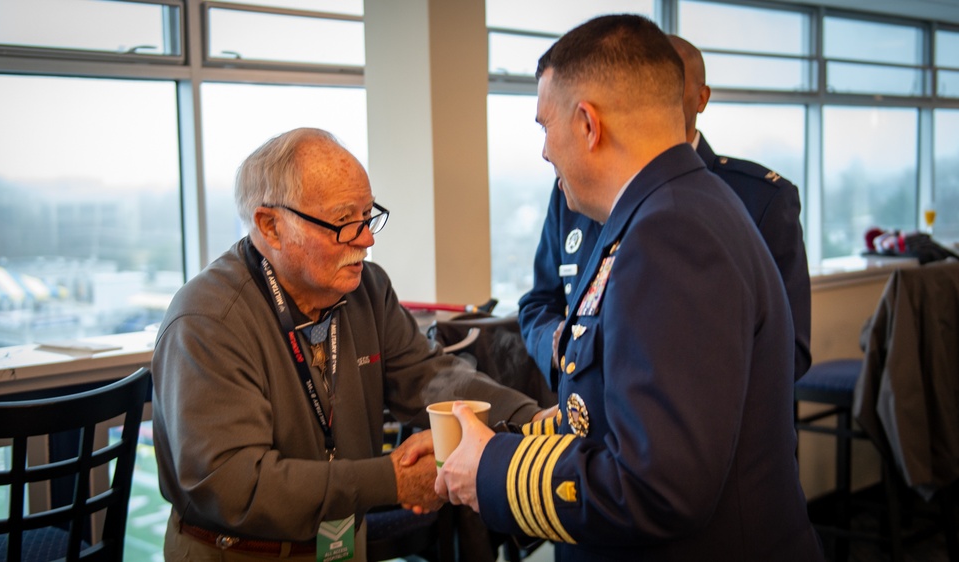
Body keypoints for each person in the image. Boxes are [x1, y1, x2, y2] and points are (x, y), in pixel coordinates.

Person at [436, 15, 823, 561]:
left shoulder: (669, 233)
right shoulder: (676, 207)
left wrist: (491, 467)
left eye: (545, 126)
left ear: (588, 124)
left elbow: (658, 488)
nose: (545, 152)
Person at [151, 127, 546, 561]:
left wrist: (535, 422)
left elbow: (430, 379)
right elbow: (234, 485)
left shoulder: (367, 291)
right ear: (271, 226)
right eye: (343, 222)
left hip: (340, 544)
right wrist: (389, 479)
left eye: (367, 214)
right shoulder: (208, 320)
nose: (367, 238)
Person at [518, 34, 812, 386]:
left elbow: (780, 352)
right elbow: (542, 299)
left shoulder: (743, 198)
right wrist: (560, 344)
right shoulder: (576, 191)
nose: (546, 152)